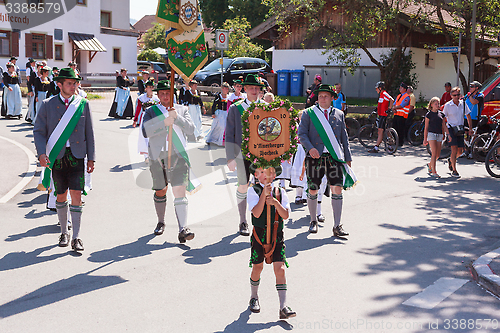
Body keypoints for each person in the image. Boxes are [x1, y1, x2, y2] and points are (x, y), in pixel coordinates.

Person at [33, 68, 95, 251]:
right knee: (60, 195)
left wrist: (92, 158)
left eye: (75, 83)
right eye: (70, 83)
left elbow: (89, 133)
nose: (74, 86)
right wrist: (41, 153)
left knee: (77, 194)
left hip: (77, 156)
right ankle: (64, 232)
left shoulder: (83, 104)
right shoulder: (47, 104)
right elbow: (39, 132)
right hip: (57, 157)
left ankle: (76, 236)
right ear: (59, 84)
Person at [141, 80, 196, 243]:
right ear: (158, 95)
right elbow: (145, 131)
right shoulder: (151, 111)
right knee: (161, 190)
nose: (165, 96)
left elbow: (191, 129)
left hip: (178, 155)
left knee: (179, 190)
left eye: (168, 93)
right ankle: (161, 221)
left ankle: (183, 228)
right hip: (158, 155)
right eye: (162, 93)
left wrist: (177, 118)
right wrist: (163, 123)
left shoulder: (182, 110)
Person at [298, 84, 356, 236]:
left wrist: (348, 157)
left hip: (334, 157)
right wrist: (310, 148)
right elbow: (302, 134)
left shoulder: (339, 114)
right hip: (314, 158)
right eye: (320, 96)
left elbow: (344, 137)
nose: (323, 98)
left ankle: (337, 226)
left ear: (332, 98)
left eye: (326, 96)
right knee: (313, 189)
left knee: (337, 189)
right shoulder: (308, 113)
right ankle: (313, 220)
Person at [247, 165, 296, 319]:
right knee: (257, 267)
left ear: (274, 176)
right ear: (256, 174)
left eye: (270, 172)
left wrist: (275, 202)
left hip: (276, 234)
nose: (266, 175)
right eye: (262, 172)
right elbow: (256, 212)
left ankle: (283, 306)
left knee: (280, 269)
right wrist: (264, 196)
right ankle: (254, 297)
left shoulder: (280, 192)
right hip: (259, 235)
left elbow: (286, 215)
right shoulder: (253, 190)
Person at [226, 74, 266, 236]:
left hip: (262, 154)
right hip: (242, 155)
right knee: (243, 186)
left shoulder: (266, 107)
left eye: (257, 88)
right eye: (251, 88)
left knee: (261, 186)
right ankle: (243, 221)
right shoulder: (236, 108)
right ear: (245, 89)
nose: (254, 90)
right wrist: (230, 157)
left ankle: (260, 220)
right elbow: (230, 134)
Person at [442, 86, 472, 178]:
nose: (456, 96)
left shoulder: (463, 104)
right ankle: (454, 170)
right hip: (451, 129)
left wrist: (470, 128)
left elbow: (468, 115)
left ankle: (451, 160)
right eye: (454, 95)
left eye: (458, 94)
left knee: (460, 151)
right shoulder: (447, 105)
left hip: (460, 129)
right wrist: (445, 132)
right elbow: (443, 119)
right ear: (451, 95)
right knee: (454, 149)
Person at [423, 97, 447, 178]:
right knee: (433, 153)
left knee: (437, 155)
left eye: (438, 104)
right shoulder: (428, 114)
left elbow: (443, 125)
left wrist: (444, 134)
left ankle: (430, 165)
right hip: (431, 134)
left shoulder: (441, 114)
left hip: (439, 134)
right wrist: (425, 139)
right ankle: (434, 171)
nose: (438, 105)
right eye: (436, 104)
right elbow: (426, 127)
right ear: (431, 105)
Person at [368, 81, 394, 153]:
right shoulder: (381, 95)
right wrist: (376, 109)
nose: (376, 90)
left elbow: (391, 100)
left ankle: (376, 147)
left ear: (380, 88)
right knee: (385, 130)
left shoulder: (384, 93)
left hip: (384, 115)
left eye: (376, 88)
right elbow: (381, 104)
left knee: (380, 131)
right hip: (381, 114)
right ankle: (390, 144)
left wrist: (389, 108)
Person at [206, 82, 230, 146]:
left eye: (227, 89)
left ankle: (221, 141)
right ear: (222, 89)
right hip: (219, 113)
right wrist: (213, 113)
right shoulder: (218, 96)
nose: (226, 90)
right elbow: (214, 105)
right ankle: (210, 139)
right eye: (225, 88)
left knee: (224, 127)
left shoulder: (229, 97)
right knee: (216, 126)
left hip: (226, 113)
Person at [392, 82, 410, 147]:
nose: (399, 89)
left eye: (401, 88)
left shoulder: (407, 97)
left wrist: (394, 107)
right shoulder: (399, 96)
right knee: (395, 128)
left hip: (402, 115)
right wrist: (394, 107)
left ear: (405, 89)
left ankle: (400, 142)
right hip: (396, 114)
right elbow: (395, 103)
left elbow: (402, 105)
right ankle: (395, 141)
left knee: (400, 129)